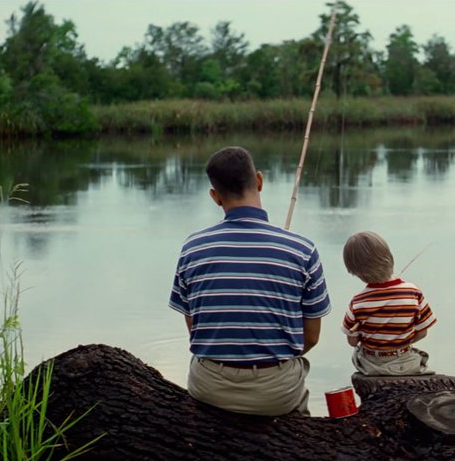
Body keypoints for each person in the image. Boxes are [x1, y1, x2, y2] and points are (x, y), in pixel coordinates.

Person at [169, 146, 331, 416]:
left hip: (210, 388)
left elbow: (196, 328)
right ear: (259, 180)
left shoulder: (192, 248)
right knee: (298, 388)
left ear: (215, 197)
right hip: (275, 393)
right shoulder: (302, 249)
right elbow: (311, 337)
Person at [340, 231, 436, 376]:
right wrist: (401, 340)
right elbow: (422, 332)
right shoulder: (413, 292)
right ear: (389, 258)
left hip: (370, 365)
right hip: (404, 360)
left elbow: (352, 342)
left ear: (354, 270)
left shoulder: (357, 302)